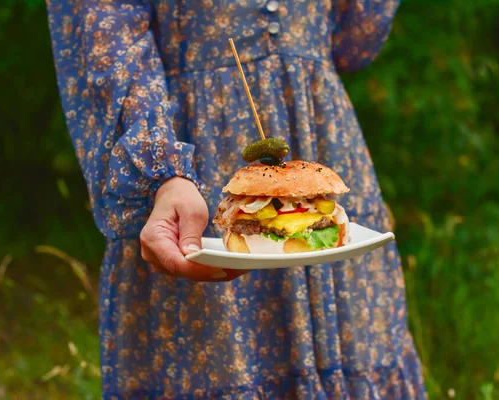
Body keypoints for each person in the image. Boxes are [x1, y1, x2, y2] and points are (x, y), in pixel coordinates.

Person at [46, 0, 427, 398]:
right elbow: (107, 34)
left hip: (324, 140)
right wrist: (162, 171)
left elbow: (352, 43)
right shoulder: (169, 171)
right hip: (191, 165)